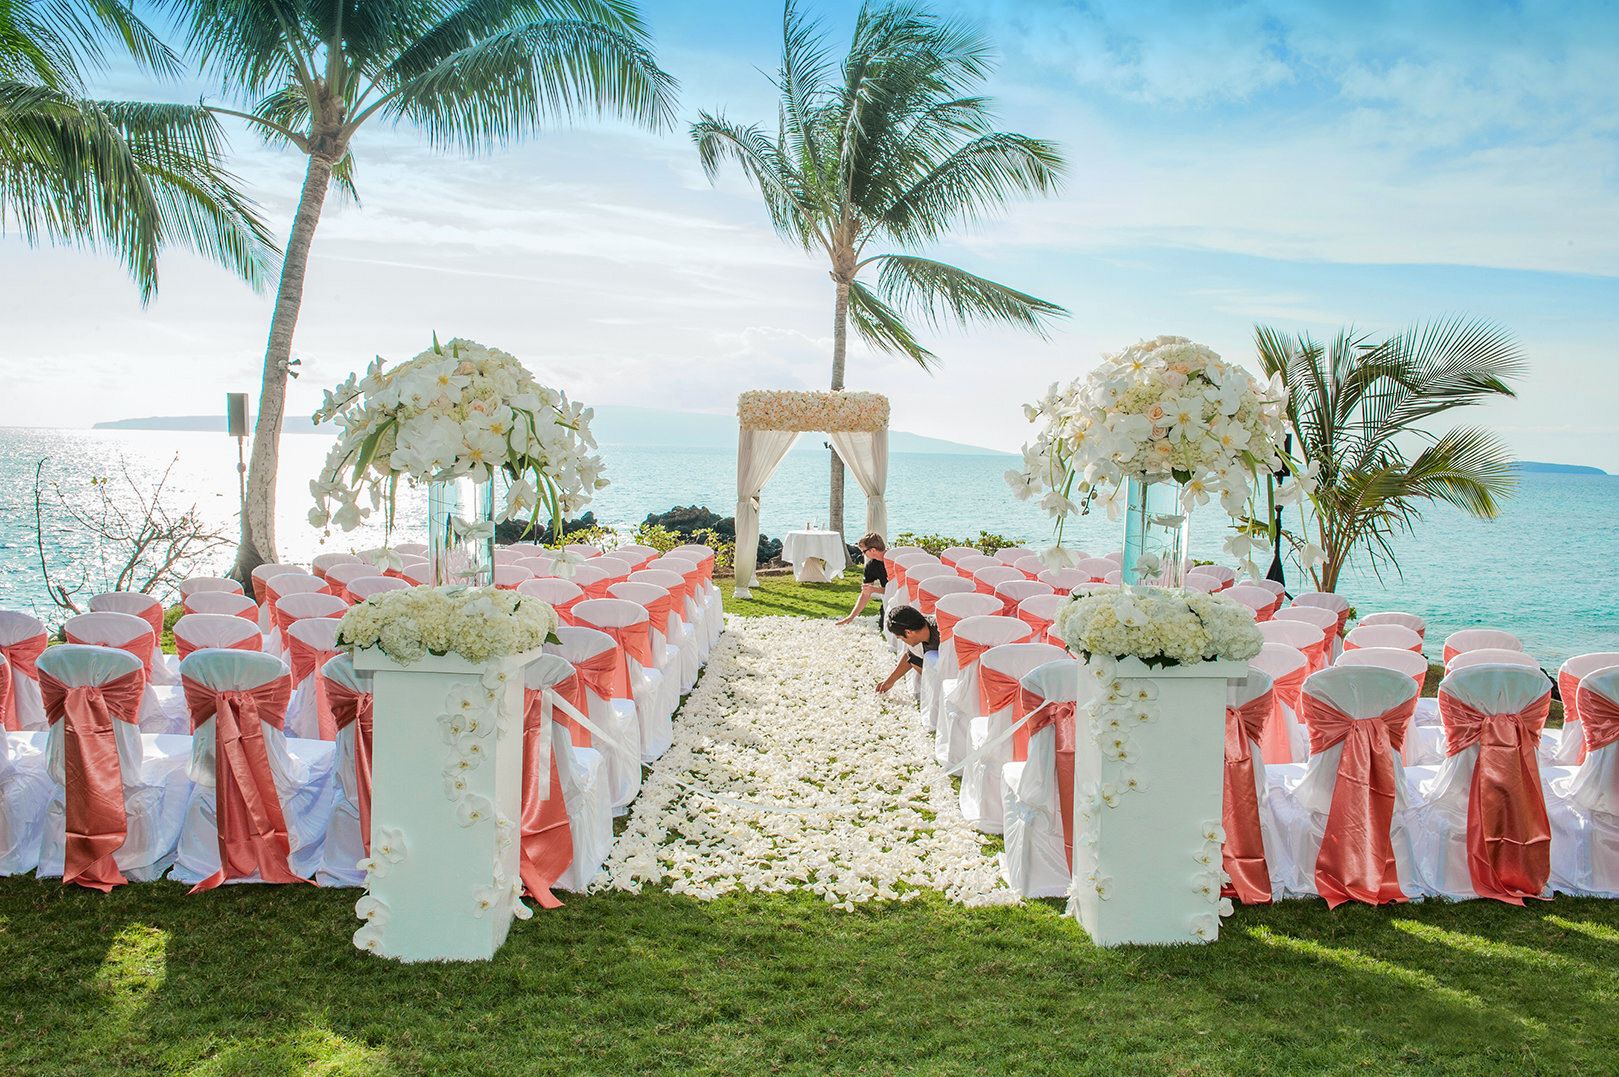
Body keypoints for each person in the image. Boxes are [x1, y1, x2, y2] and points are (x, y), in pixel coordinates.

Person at [877, 604, 939, 695]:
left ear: (908, 632)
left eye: (901, 638)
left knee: (929, 658)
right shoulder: (921, 628)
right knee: (914, 660)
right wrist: (889, 682)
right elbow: (909, 656)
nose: (903, 641)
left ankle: (938, 690)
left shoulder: (941, 633)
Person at [835, 533, 888, 627]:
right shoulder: (871, 566)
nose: (863, 554)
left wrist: (875, 589)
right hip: (889, 599)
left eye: (864, 551)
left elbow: (899, 589)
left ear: (873, 550)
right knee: (883, 626)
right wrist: (851, 617)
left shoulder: (895, 560)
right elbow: (865, 594)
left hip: (908, 598)